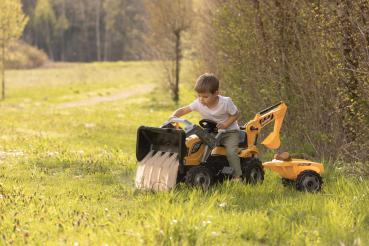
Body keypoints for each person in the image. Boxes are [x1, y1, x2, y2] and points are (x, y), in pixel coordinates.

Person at [170, 73, 242, 180]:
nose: (201, 99)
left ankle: (237, 176)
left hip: (229, 133)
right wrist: (173, 116)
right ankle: (198, 168)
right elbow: (184, 109)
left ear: (216, 93)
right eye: (199, 96)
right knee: (196, 145)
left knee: (231, 152)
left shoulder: (226, 102)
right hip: (212, 132)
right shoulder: (199, 103)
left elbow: (236, 114)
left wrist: (225, 124)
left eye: (205, 96)